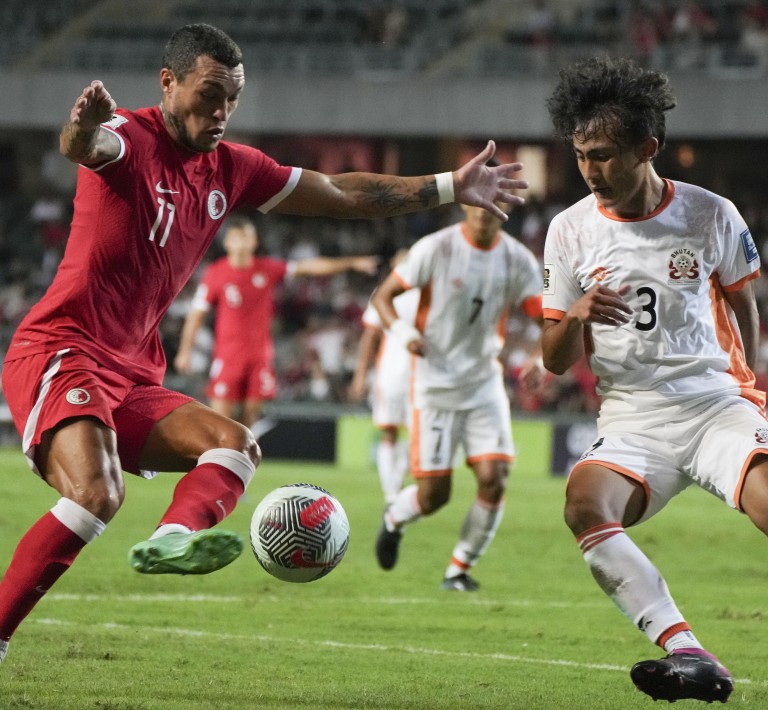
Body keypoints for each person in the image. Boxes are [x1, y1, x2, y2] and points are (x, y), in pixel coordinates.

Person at [0, 23, 528, 665]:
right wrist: (81, 128)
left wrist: (448, 187)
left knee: (236, 445)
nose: (221, 112)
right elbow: (86, 146)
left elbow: (339, 193)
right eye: (209, 95)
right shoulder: (131, 139)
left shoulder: (232, 168)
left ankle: (172, 536)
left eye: (232, 99)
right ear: (168, 83)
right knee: (96, 494)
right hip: (62, 350)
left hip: (133, 373)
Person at [542, 56, 768, 704]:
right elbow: (553, 359)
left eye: (604, 155)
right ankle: (689, 654)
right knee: (584, 505)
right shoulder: (569, 231)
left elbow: (744, 303)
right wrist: (577, 315)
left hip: (715, 403)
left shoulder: (710, 214)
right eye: (581, 155)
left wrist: (750, 386)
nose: (590, 171)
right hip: (633, 418)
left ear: (648, 147)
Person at [371, 203, 544, 591]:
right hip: (434, 385)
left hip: (484, 384)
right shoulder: (435, 248)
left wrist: (539, 359)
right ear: (465, 203)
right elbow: (383, 297)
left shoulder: (518, 260)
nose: (484, 209)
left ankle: (459, 569)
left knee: (495, 477)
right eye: (478, 199)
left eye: (494, 200)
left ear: (506, 207)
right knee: (434, 496)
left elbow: (548, 321)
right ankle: (395, 518)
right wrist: (405, 334)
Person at [174, 214, 378, 430]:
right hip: (228, 357)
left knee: (247, 425)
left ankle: (240, 451)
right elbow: (196, 315)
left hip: (259, 358)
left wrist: (351, 263)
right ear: (227, 243)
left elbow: (307, 267)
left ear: (255, 242)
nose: (241, 242)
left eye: (246, 237)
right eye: (236, 237)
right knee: (221, 423)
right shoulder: (216, 273)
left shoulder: (267, 268)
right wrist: (185, 351)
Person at [349, 250, 419, 504]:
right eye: (400, 261)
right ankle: (391, 493)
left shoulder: (428, 292)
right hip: (390, 374)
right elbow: (370, 337)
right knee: (389, 431)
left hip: (424, 375)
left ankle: (397, 477)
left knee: (419, 434)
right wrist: (360, 375)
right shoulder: (383, 294)